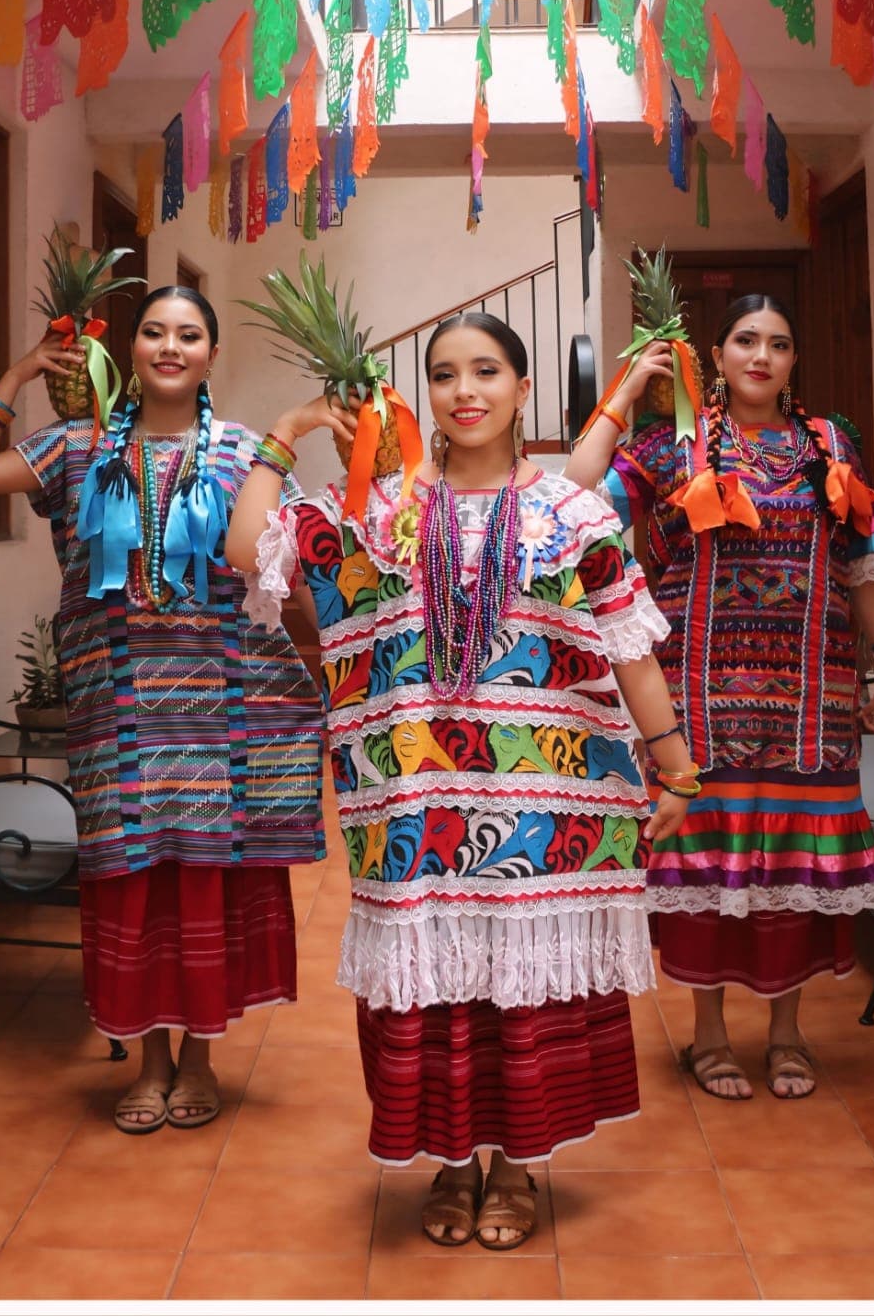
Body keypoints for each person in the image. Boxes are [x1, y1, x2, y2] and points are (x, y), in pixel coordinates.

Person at [227, 312, 699, 1249]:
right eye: (443, 374)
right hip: (413, 812)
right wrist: (289, 428)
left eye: (487, 370)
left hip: (550, 809)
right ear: (423, 394)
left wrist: (676, 765)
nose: (465, 390)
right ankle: (449, 1164)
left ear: (524, 389)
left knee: (524, 994)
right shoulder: (379, 507)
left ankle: (517, 1167)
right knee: (432, 991)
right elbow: (250, 553)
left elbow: (630, 644)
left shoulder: (574, 513)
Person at [0, 287, 326, 1133]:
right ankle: (148, 1063)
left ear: (210, 355)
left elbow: (280, 573)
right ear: (130, 350)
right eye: (153, 331)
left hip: (222, 714)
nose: (169, 346)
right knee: (134, 882)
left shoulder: (242, 454)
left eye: (188, 334)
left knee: (202, 883)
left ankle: (197, 1059)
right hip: (117, 712)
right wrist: (14, 373)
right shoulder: (77, 449)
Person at [565, 293, 874, 1100]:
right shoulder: (669, 445)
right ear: (713, 358)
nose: (762, 355)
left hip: (811, 705)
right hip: (697, 703)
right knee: (704, 875)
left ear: (793, 362)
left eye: (778, 344)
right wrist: (620, 394)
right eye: (745, 341)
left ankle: (787, 1035)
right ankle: (708, 1036)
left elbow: (862, 563)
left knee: (795, 867)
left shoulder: (829, 447)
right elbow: (574, 494)